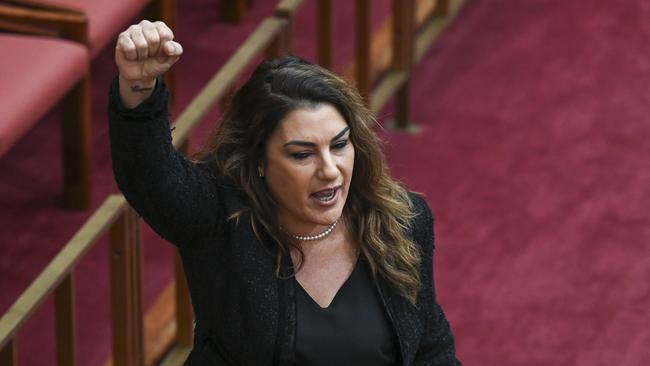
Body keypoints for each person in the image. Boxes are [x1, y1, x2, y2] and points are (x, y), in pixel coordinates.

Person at [109, 20, 461, 365]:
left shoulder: (402, 221)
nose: (329, 169)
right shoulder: (220, 217)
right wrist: (139, 86)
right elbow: (150, 178)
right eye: (302, 154)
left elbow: (430, 348)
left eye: (339, 145)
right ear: (259, 160)